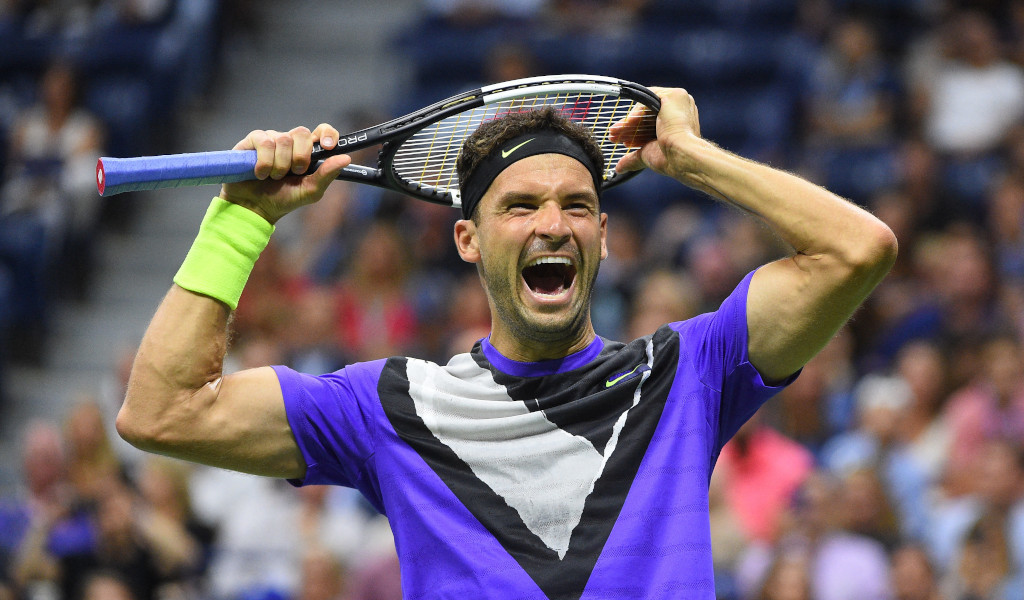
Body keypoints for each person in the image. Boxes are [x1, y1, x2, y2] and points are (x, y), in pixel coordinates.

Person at [115, 87, 897, 598]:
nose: (552, 223)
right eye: (520, 205)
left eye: (577, 206)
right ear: (467, 239)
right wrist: (240, 223)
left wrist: (690, 159)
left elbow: (856, 252)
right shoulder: (388, 405)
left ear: (603, 236)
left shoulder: (687, 373)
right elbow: (162, 412)